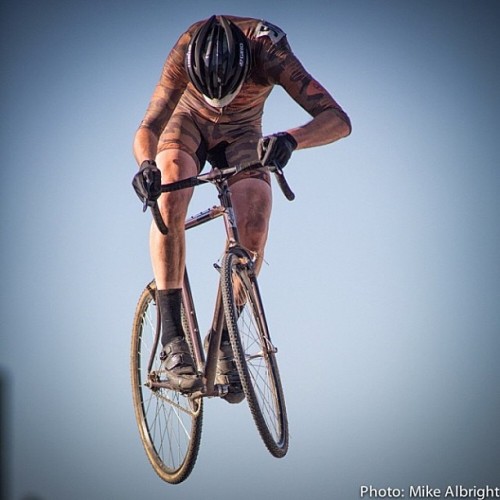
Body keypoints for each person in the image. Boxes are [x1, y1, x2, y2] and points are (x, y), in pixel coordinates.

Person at [132, 15, 351, 401]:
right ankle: (172, 335)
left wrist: (291, 140)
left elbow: (338, 120)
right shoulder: (185, 50)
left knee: (254, 218)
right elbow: (149, 126)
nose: (221, 100)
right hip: (187, 124)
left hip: (243, 132)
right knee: (169, 190)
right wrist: (146, 165)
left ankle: (228, 336)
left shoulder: (270, 51)